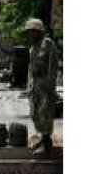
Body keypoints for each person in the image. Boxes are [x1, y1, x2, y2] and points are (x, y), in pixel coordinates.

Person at [24, 18, 59, 155]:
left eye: (33, 31)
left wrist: (49, 84)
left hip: (45, 84)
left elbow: (53, 65)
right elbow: (30, 69)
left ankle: (46, 142)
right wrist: (29, 86)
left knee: (45, 113)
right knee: (34, 113)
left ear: (38, 31)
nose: (30, 35)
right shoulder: (33, 48)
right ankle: (41, 138)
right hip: (35, 85)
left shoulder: (48, 44)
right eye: (29, 32)